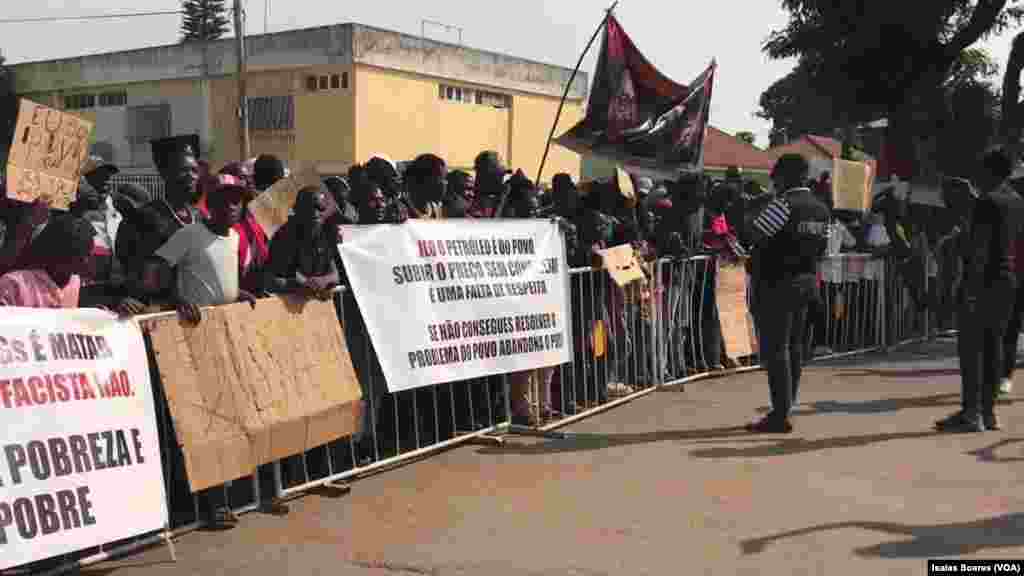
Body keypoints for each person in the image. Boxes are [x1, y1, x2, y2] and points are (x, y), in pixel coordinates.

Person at [937, 147, 1024, 433]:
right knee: (994, 349)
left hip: (983, 282)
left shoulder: (987, 202)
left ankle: (970, 413)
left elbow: (980, 249)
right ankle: (989, 414)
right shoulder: (1017, 201)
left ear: (989, 172)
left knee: (972, 351)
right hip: (1008, 282)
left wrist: (969, 289)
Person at [744, 154, 831, 433]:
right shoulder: (820, 209)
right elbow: (822, 249)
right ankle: (787, 405)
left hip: (775, 284)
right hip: (806, 283)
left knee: (775, 350)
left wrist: (752, 212)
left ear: (784, 177)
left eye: (776, 176)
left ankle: (779, 414)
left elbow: (754, 235)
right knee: (794, 348)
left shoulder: (782, 204)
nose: (773, 181)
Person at [115, 135, 202, 303]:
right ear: (164, 172)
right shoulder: (142, 218)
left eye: (194, 170)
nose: (191, 176)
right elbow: (132, 273)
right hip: (159, 313)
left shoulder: (201, 218)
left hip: (201, 310)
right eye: (183, 170)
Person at [0, 213, 95, 309]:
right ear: (57, 251)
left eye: (88, 255)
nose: (86, 261)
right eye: (79, 254)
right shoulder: (13, 284)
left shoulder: (74, 282)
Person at [266, 185, 340, 299]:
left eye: (320, 208)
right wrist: (300, 285)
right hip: (286, 304)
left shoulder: (324, 233)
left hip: (315, 303)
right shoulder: (285, 236)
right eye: (309, 207)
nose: (315, 213)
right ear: (297, 209)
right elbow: (270, 281)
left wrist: (323, 281)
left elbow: (335, 275)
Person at [405, 154, 447, 219]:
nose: (445, 183)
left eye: (444, 179)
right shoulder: (402, 211)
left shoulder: (433, 207)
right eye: (440, 178)